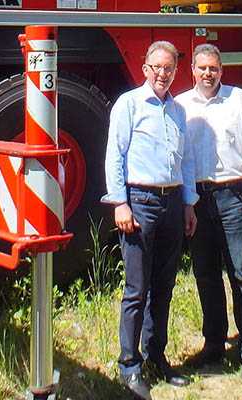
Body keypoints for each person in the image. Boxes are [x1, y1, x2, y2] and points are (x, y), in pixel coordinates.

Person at [102, 40, 198, 400]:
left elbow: (185, 161)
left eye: (169, 68)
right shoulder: (128, 104)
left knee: (165, 286)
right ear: (145, 69)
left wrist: (189, 204)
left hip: (172, 201)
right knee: (136, 289)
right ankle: (129, 366)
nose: (162, 74)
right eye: (156, 67)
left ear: (175, 71)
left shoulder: (178, 110)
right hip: (139, 202)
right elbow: (115, 155)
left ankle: (157, 355)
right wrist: (120, 204)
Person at [175, 43, 242, 384]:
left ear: (221, 70)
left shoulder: (239, 101)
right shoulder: (181, 106)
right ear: (193, 71)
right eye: (202, 68)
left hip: (234, 193)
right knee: (205, 274)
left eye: (213, 68)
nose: (208, 73)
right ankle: (214, 344)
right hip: (198, 199)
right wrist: (187, 203)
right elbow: (179, 159)